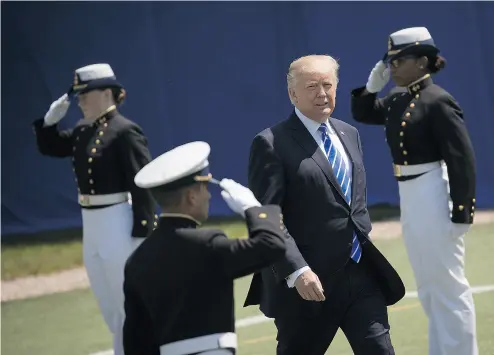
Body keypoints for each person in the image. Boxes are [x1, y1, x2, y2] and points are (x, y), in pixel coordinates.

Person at [243, 54, 405, 355]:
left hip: (360, 272)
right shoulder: (271, 143)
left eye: (328, 85)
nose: (322, 93)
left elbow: (351, 203)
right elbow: (266, 216)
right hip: (307, 283)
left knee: (380, 350)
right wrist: (297, 270)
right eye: (312, 86)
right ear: (293, 94)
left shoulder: (349, 133)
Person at [350, 27, 478, 355]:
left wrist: (461, 212)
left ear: (422, 62)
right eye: (389, 61)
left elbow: (461, 159)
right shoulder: (396, 99)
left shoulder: (438, 100)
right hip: (410, 195)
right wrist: (371, 86)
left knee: (448, 286)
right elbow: (364, 113)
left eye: (399, 60)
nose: (392, 67)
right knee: (428, 286)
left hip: (434, 189)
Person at [32, 63, 157, 355]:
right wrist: (49, 124)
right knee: (109, 304)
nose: (79, 101)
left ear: (105, 94)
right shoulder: (83, 128)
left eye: (84, 94)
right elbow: (52, 148)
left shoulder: (125, 131)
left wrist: (143, 233)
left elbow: (143, 184)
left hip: (118, 222)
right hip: (92, 225)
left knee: (129, 303)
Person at [122, 141, 287, 355]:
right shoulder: (207, 243)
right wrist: (254, 209)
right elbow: (271, 245)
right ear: (192, 196)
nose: (208, 196)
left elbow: (135, 340)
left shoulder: (137, 260)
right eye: (205, 188)